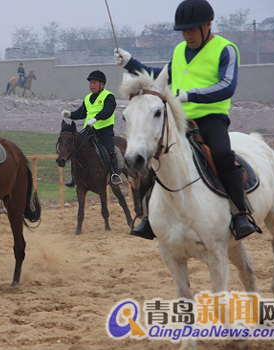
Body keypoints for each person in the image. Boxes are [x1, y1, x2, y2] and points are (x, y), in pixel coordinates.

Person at [114, 0, 258, 241]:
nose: (187, 35)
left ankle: (240, 214)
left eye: (192, 30)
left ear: (208, 25)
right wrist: (131, 63)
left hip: (211, 118)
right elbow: (160, 74)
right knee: (153, 155)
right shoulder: (180, 52)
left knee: (222, 154)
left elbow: (227, 86)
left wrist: (191, 94)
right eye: (184, 31)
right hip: (180, 120)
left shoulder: (226, 49)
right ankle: (149, 217)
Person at [61, 70, 122, 187]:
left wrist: (96, 118)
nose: (91, 85)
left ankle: (114, 174)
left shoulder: (109, 96)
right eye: (90, 83)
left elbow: (108, 111)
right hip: (89, 131)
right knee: (76, 148)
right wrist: (69, 114)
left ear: (102, 84)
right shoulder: (88, 98)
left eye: (94, 82)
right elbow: (81, 113)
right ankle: (74, 176)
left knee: (110, 151)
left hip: (104, 131)